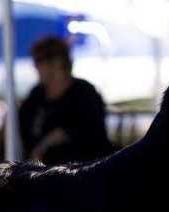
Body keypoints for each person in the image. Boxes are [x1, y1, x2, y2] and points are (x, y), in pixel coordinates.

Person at [19, 36, 112, 164]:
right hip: (39, 171)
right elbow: (23, 127)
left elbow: (91, 133)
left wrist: (54, 139)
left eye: (39, 61)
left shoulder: (84, 92)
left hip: (83, 169)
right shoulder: (37, 95)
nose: (35, 66)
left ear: (57, 62)